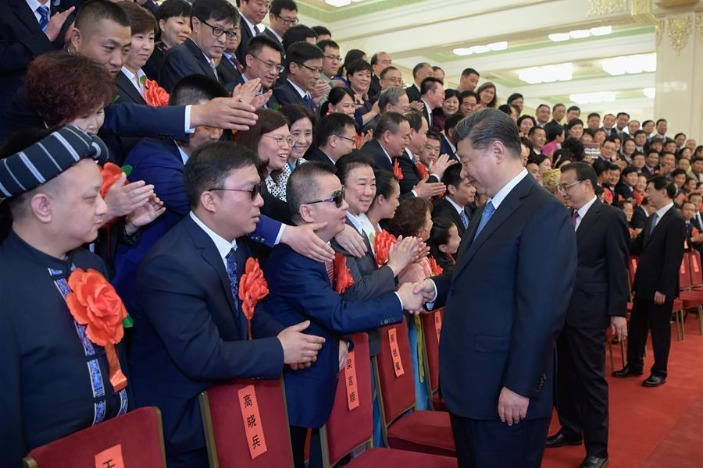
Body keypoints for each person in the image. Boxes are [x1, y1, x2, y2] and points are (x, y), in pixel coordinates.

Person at [129, 141, 325, 467]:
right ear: (210, 199)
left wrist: (290, 337)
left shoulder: (234, 243)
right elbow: (201, 357)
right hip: (188, 423)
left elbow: (246, 313)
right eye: (250, 192)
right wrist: (279, 349)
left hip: (225, 402)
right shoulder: (171, 264)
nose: (261, 201)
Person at [414, 109, 577, 468]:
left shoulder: (542, 212)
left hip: (505, 389)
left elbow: (542, 310)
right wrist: (433, 288)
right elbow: (474, 273)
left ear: (498, 151)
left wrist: (520, 386)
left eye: (468, 160)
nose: (465, 172)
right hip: (474, 386)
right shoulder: (489, 208)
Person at [264, 161, 426, 468]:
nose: (344, 205)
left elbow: (331, 316)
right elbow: (339, 315)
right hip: (293, 390)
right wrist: (398, 300)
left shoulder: (323, 248)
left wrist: (345, 341)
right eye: (335, 199)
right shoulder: (293, 261)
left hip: (315, 378)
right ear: (308, 212)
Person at [0, 126, 129, 467]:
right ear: (43, 207)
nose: (103, 208)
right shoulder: (5, 289)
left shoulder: (91, 263)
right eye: (90, 198)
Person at [546, 163, 629, 468]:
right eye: (561, 187)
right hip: (561, 311)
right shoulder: (564, 217)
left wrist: (618, 312)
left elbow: (618, 268)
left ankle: (597, 448)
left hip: (590, 312)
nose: (563, 192)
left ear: (587, 185)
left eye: (567, 186)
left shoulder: (610, 217)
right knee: (564, 376)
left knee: (590, 380)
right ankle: (571, 429)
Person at [614, 175, 686, 387]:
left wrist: (663, 288)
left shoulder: (676, 219)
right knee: (636, 328)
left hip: (660, 290)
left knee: (659, 331)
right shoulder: (654, 218)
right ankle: (634, 364)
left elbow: (673, 259)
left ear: (664, 192)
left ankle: (660, 371)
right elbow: (638, 245)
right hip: (643, 286)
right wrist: (617, 239)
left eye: (650, 189)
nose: (647, 194)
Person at [159, 0, 241, 91]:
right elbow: (201, 101)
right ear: (196, 24)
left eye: (229, 33)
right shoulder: (179, 56)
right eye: (217, 30)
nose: (223, 40)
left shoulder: (207, 59)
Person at [143, 0, 192, 79]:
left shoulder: (190, 57)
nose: (187, 30)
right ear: (162, 24)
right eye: (180, 22)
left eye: (190, 26)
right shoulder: (149, 57)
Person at [433, 163, 477, 237]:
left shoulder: (469, 208)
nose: (474, 190)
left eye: (473, 184)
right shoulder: (441, 215)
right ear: (452, 189)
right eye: (468, 185)